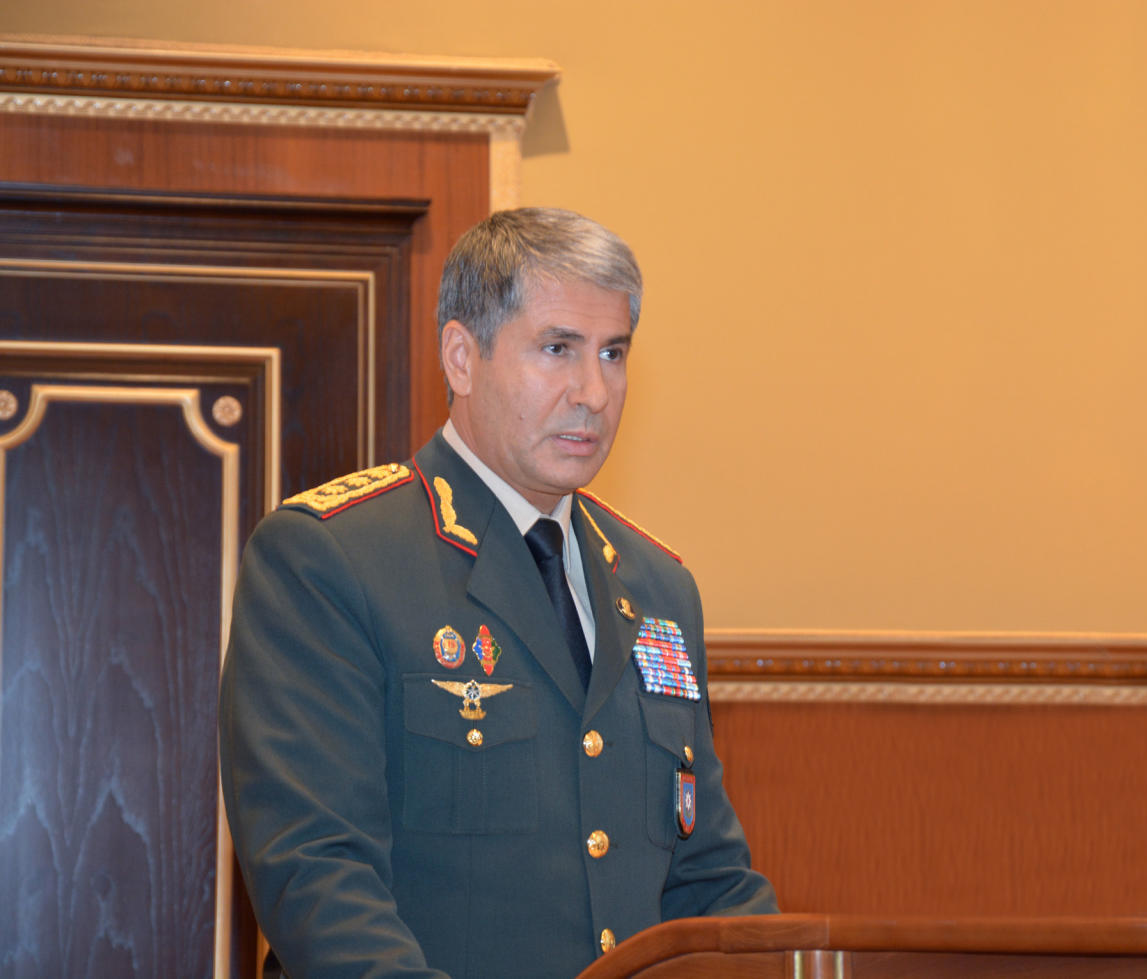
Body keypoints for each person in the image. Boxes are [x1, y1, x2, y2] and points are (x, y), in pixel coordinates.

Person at [218, 207, 778, 979]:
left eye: (613, 353)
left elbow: (709, 882)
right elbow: (318, 876)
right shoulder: (332, 557)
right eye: (558, 349)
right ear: (461, 357)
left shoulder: (658, 587)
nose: (593, 391)